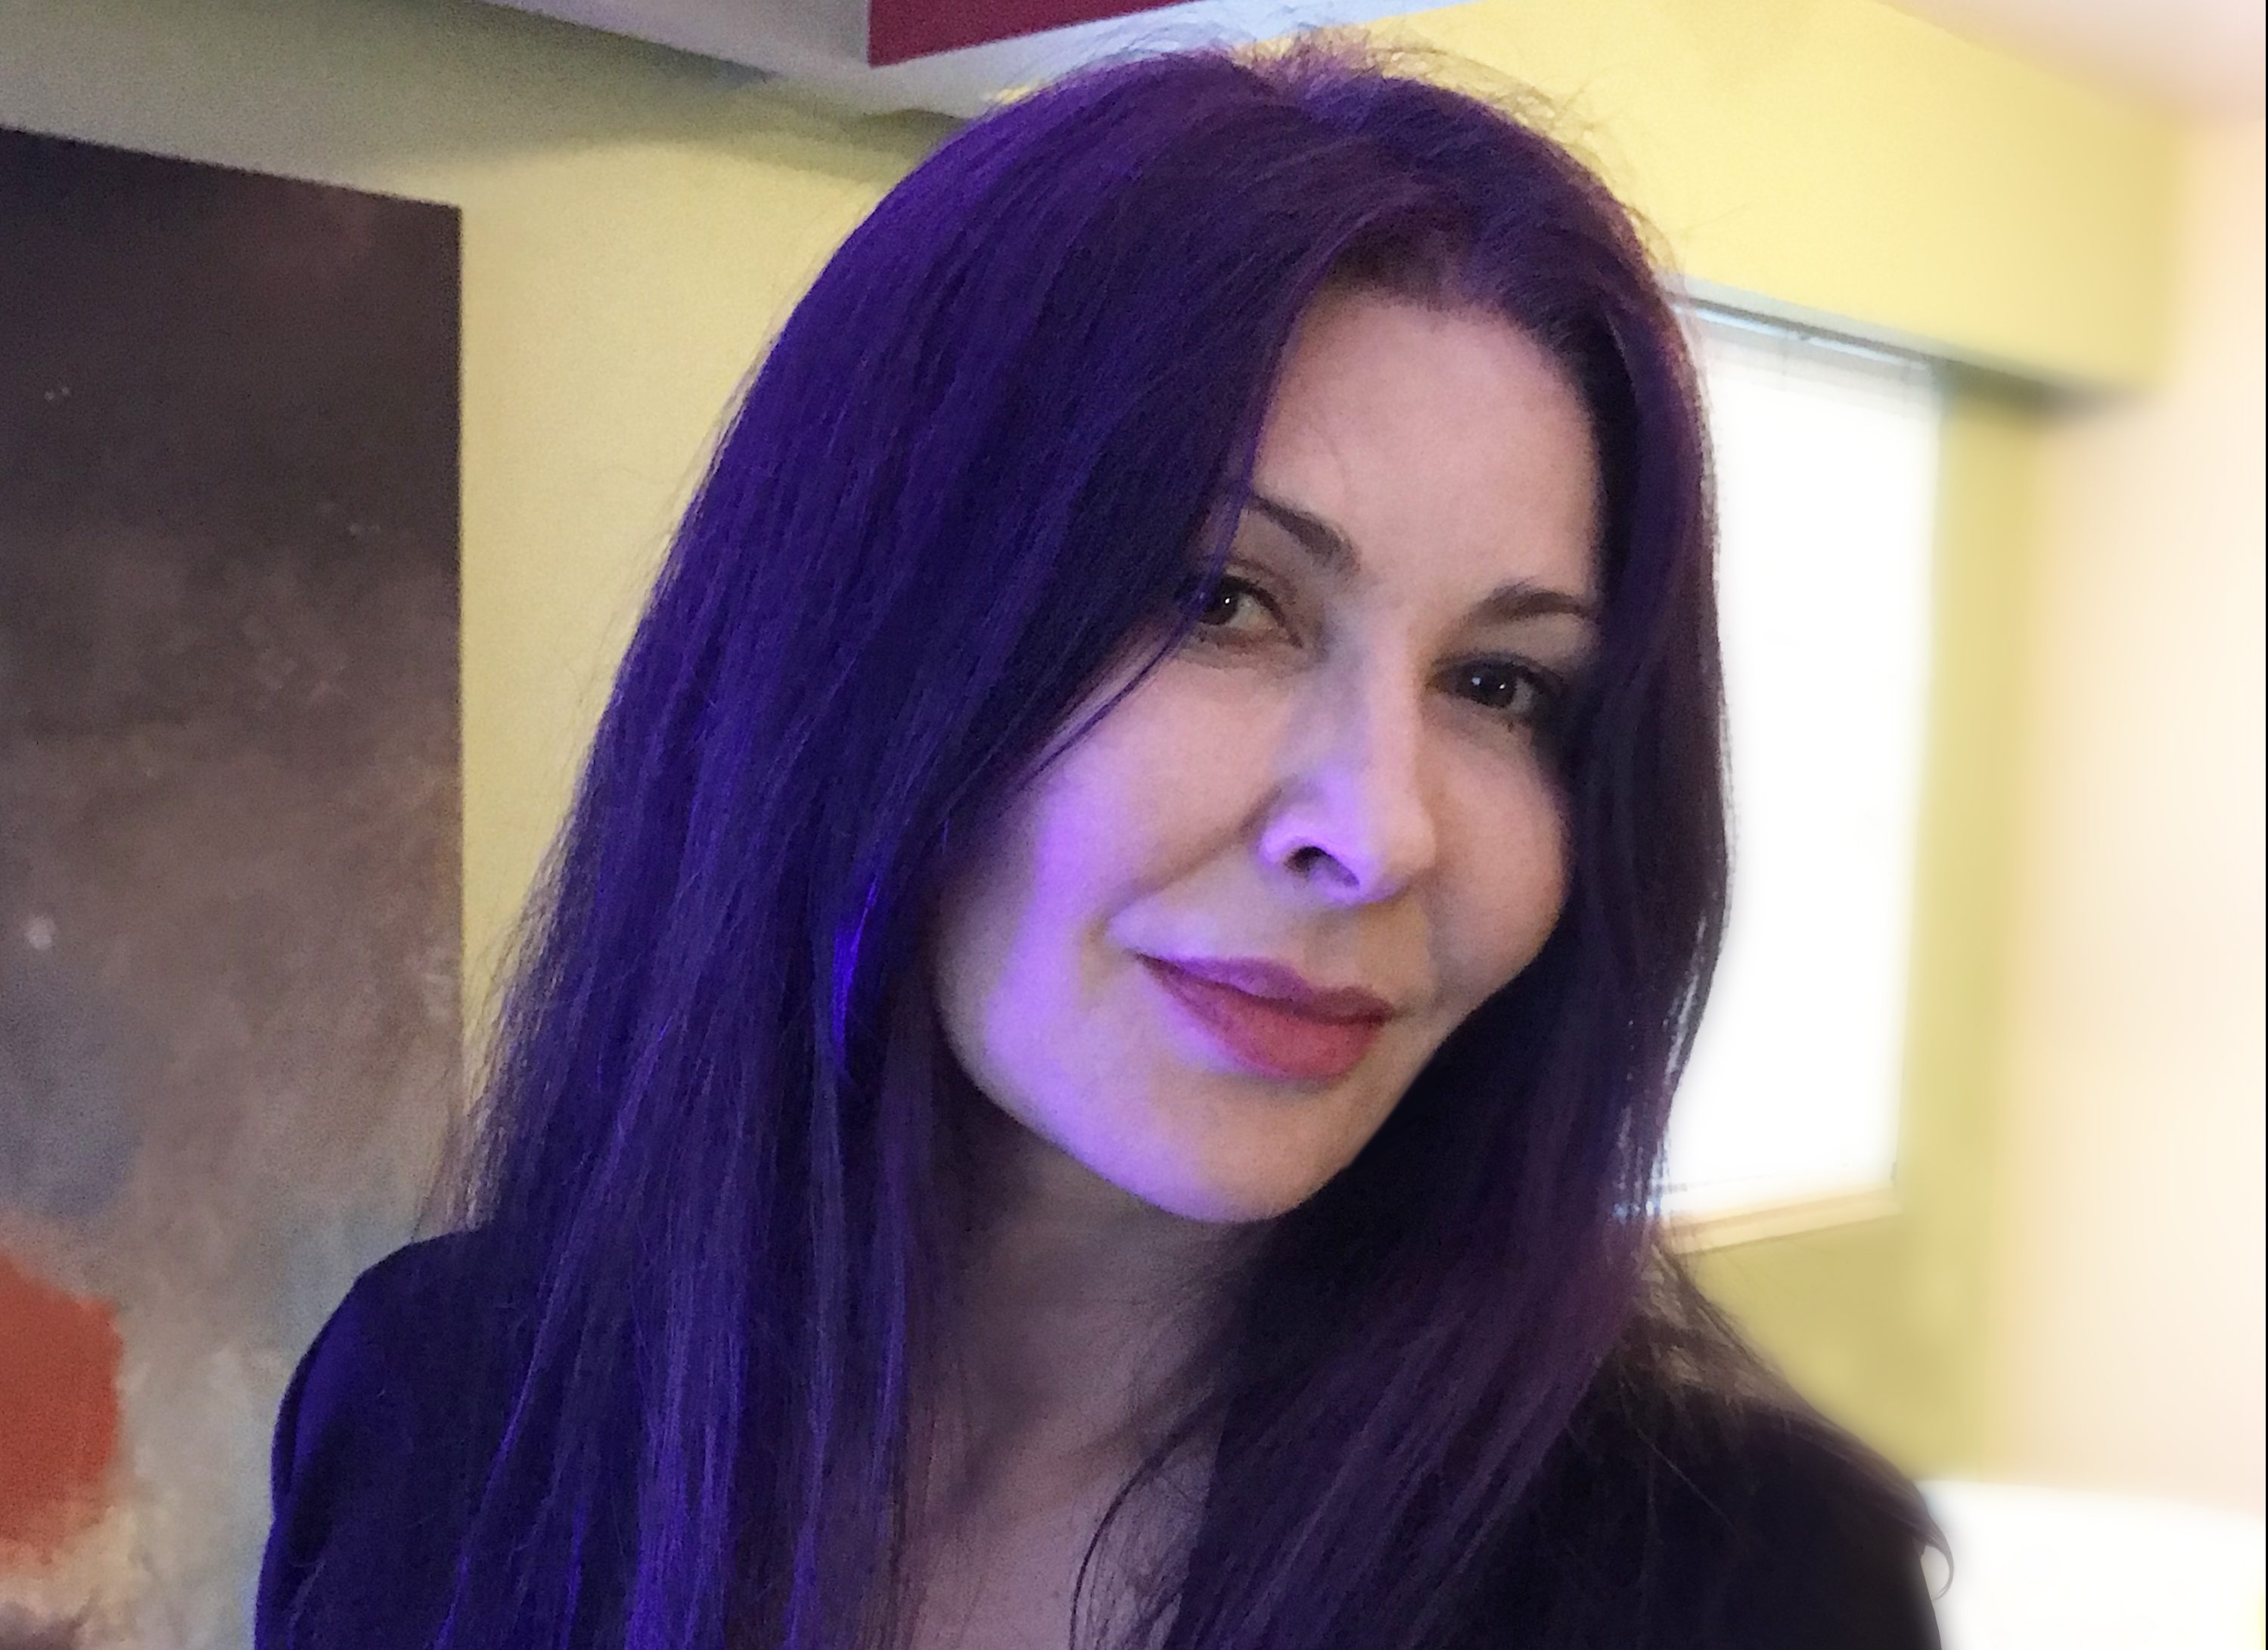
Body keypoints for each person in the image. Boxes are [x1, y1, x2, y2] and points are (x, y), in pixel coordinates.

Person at [256, 34, 1946, 1650]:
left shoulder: (1739, 1586)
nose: (1377, 831)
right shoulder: (442, 1407)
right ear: (864, 640)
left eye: (1500, 684)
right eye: (1223, 600)